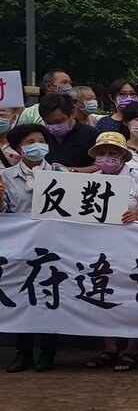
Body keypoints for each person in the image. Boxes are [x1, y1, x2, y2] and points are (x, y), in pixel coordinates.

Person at [80, 131, 138, 372]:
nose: (106, 157)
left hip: (132, 247)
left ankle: (131, 348)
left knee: (131, 296)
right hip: (99, 248)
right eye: (101, 153)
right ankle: (109, 347)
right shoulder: (91, 181)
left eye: (112, 153)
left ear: (123, 156)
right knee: (102, 293)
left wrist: (137, 215)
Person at [1, 125, 58, 372]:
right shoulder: (6, 176)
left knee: (52, 296)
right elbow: (4, 212)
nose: (38, 145)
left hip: (55, 246)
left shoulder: (59, 172)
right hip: (20, 247)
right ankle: (23, 353)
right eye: (30, 142)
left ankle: (48, 353)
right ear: (19, 148)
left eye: (41, 140)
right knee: (23, 297)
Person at [39, 93, 98, 172]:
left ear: (73, 113)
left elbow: (100, 166)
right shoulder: (41, 135)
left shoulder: (91, 134)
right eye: (49, 123)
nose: (54, 126)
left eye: (59, 122)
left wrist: (70, 170)